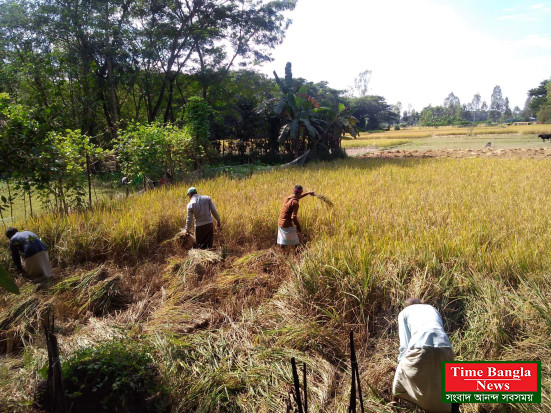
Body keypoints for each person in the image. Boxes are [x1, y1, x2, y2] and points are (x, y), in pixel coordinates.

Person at [392, 297, 457, 413]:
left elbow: (405, 344)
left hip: (420, 346)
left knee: (400, 378)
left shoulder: (404, 313)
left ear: (406, 306)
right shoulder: (432, 309)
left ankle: (394, 405)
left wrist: (401, 361)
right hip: (445, 347)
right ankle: (454, 409)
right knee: (446, 381)